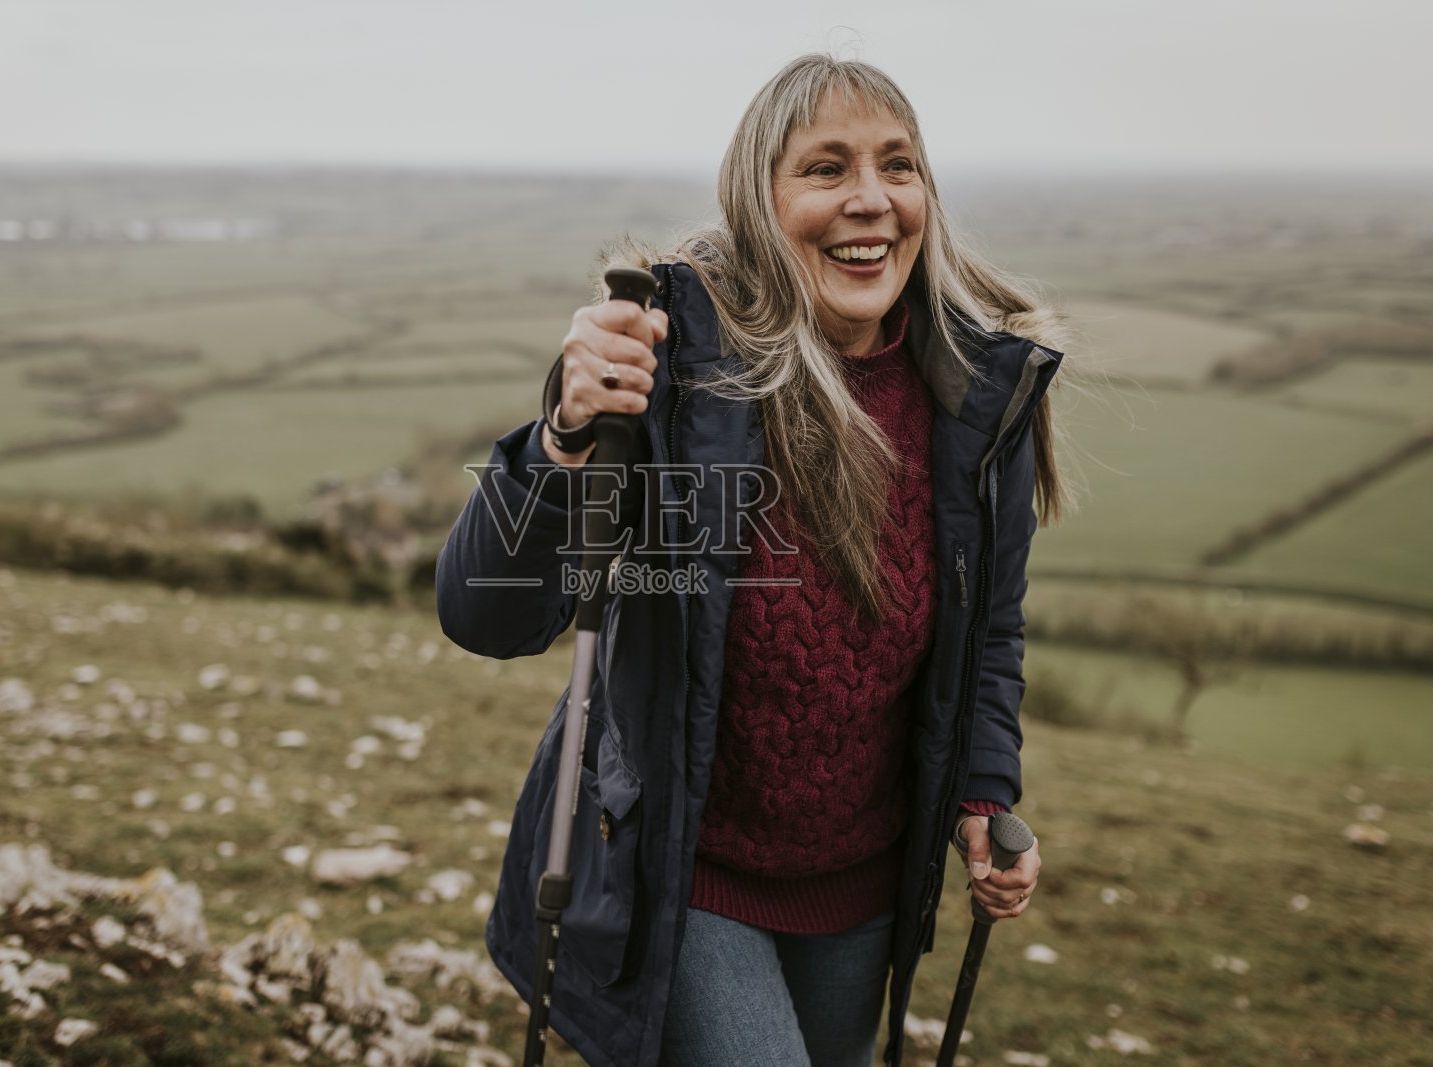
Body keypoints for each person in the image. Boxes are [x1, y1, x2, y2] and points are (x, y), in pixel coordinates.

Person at [436, 53, 1068, 1067]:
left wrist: (983, 790)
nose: (870, 198)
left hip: (862, 883)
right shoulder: (669, 364)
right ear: (757, 200)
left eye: (897, 165)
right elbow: (487, 614)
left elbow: (986, 629)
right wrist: (561, 430)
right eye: (825, 169)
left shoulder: (973, 398)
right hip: (682, 868)